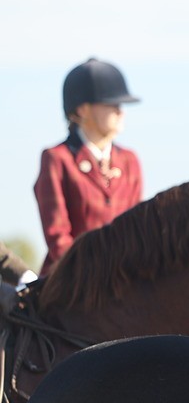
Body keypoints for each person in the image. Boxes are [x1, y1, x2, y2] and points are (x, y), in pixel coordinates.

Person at [34, 58, 143, 273]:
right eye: (112, 104)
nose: (121, 112)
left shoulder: (129, 161)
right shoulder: (57, 159)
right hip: (72, 282)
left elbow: (137, 229)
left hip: (124, 282)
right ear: (82, 110)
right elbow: (58, 238)